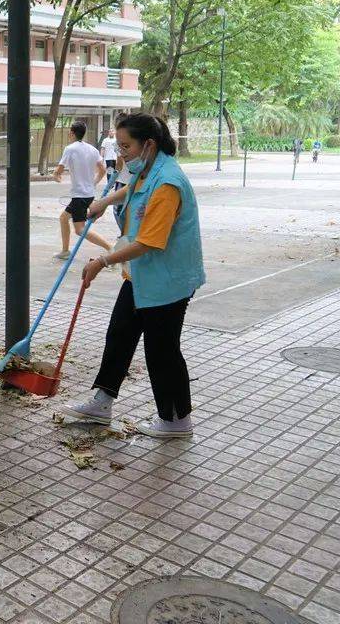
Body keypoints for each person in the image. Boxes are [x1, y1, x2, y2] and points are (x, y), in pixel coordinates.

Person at [61, 113, 205, 438]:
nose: (121, 153)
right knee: (120, 333)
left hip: (168, 281)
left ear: (149, 145)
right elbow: (135, 188)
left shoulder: (168, 182)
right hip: (142, 276)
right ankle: (102, 402)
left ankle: (176, 420)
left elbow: (149, 241)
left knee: (162, 350)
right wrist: (105, 200)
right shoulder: (151, 168)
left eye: (126, 146)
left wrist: (102, 261)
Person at [51, 121, 112, 259]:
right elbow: (102, 169)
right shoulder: (92, 149)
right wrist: (94, 183)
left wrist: (56, 176)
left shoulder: (70, 149)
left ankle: (111, 248)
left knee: (80, 230)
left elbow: (59, 170)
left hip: (80, 196)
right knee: (63, 218)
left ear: (72, 133)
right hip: (87, 194)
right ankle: (65, 251)